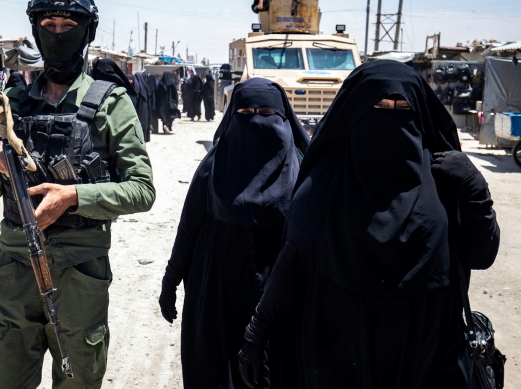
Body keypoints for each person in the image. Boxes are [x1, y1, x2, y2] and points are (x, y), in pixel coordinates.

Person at [238, 60, 501, 389]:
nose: (391, 114)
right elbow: (292, 261)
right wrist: (256, 334)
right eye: (378, 105)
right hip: (341, 359)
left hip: (429, 359)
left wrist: (477, 191)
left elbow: (482, 254)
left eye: (403, 106)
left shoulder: (444, 176)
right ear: (355, 111)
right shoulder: (325, 185)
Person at [0, 0, 155, 389]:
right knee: (1, 374)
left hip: (79, 273)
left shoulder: (110, 103)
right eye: (48, 23)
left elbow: (142, 189)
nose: (57, 33)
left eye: (67, 24)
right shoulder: (13, 104)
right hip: (17, 269)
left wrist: (73, 196)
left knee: (78, 379)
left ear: (86, 31)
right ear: (36, 30)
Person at [159, 78, 309, 389]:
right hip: (217, 291)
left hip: (280, 293)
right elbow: (189, 226)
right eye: (245, 111)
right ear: (232, 115)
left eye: (266, 112)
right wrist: (170, 281)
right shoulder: (214, 164)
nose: (255, 119)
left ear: (283, 117)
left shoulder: (302, 170)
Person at [132, 71, 153, 142]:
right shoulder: (145, 87)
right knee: (145, 124)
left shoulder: (136, 87)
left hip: (139, 109)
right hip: (146, 109)